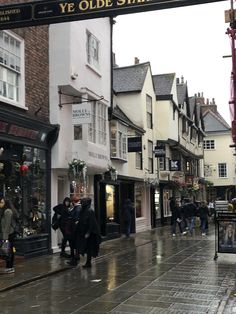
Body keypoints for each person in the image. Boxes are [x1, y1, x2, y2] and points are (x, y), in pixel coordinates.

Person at [74, 197, 101, 268]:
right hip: (83, 232)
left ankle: (88, 263)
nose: (81, 204)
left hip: (90, 234)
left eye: (82, 203)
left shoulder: (89, 211)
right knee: (82, 246)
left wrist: (88, 233)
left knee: (89, 248)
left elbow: (92, 223)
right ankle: (78, 259)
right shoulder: (83, 211)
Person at [0, 196, 16, 274]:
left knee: (9, 251)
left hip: (9, 234)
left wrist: (5, 238)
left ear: (6, 204)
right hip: (8, 234)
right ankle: (8, 267)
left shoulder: (8, 211)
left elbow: (7, 225)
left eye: (2, 202)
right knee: (7, 250)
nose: (0, 204)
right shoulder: (4, 211)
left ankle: (10, 267)